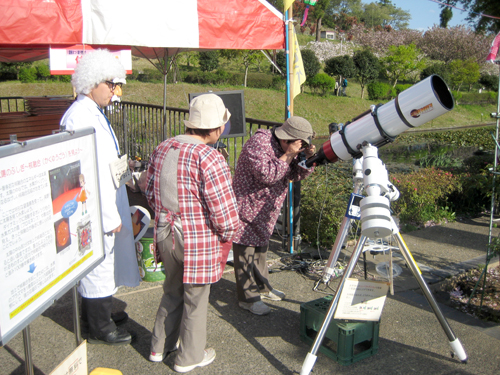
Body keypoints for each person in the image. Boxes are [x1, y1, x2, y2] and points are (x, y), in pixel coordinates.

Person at [145, 93, 240, 372]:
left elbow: (149, 190)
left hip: (165, 231)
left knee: (171, 290)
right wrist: (227, 232)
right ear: (217, 128)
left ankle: (158, 347)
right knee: (196, 300)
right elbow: (223, 212)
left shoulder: (164, 147)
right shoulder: (210, 157)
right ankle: (189, 358)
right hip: (196, 238)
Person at [60, 49, 141, 345]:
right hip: (95, 205)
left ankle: (100, 314)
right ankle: (99, 325)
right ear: (93, 81)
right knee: (98, 263)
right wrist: (108, 215)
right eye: (111, 84)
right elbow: (85, 175)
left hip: (107, 198)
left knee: (105, 259)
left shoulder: (91, 112)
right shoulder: (80, 117)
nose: (115, 91)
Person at [232, 116, 316, 315]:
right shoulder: (259, 142)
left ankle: (263, 287)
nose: (301, 146)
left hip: (266, 206)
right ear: (287, 139)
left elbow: (294, 175)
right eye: (300, 143)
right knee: (245, 251)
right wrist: (289, 155)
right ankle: (248, 298)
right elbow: (267, 174)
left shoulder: (288, 148)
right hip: (248, 203)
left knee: (260, 250)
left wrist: (307, 159)